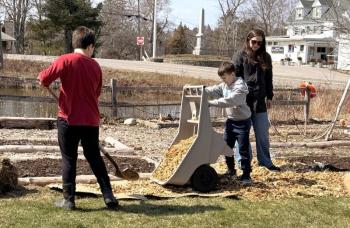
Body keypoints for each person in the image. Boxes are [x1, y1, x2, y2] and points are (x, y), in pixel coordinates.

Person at [37, 26, 119, 210]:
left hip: (68, 119)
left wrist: (43, 80)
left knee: (69, 158)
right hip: (90, 120)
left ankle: (69, 200)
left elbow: (43, 79)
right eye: (93, 48)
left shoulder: (65, 60)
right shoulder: (95, 66)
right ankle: (108, 195)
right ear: (89, 46)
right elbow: (96, 93)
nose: (93, 51)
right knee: (94, 157)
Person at [232, 28, 281, 171]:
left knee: (263, 134)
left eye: (260, 43)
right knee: (242, 134)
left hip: (260, 102)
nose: (256, 45)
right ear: (248, 40)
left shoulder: (266, 57)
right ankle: (243, 162)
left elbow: (268, 78)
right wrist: (235, 98)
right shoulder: (239, 56)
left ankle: (265, 161)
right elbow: (234, 78)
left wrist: (270, 96)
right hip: (243, 102)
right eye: (254, 42)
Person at [206, 61, 252, 184]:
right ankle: (231, 170)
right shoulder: (225, 85)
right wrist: (200, 90)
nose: (223, 80)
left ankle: (246, 175)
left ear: (232, 74)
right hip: (231, 122)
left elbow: (230, 101)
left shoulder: (240, 87)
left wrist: (211, 103)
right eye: (221, 78)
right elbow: (213, 90)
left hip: (242, 123)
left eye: (224, 78)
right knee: (226, 146)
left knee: (243, 149)